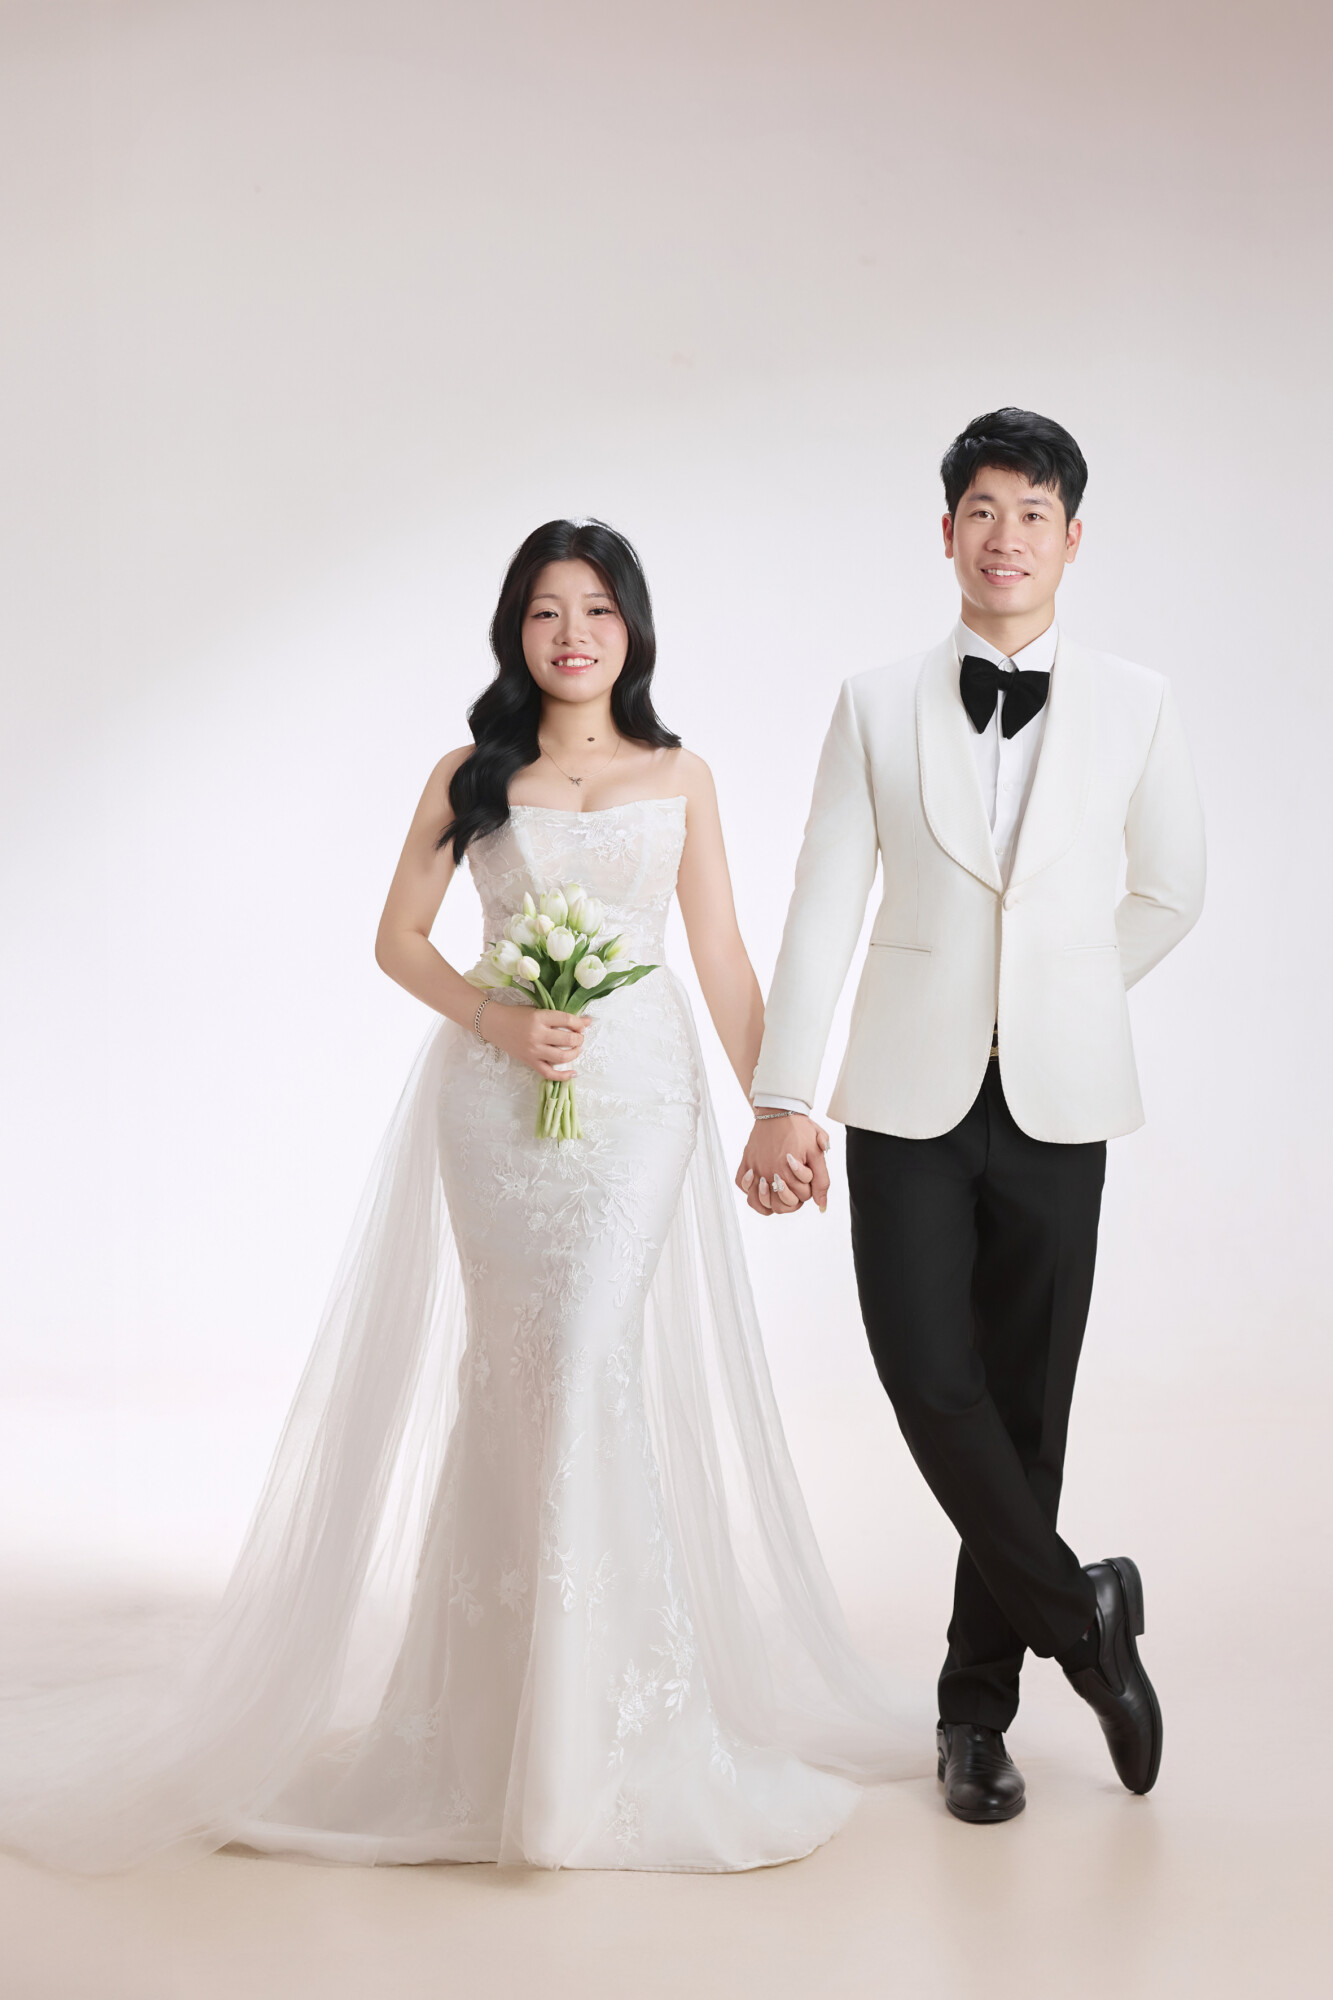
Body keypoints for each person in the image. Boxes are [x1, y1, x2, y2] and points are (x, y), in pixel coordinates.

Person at [0, 519, 912, 1877]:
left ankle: (609, 1732)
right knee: (518, 1376)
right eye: (546, 611)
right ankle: (496, 1730)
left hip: (638, 1099)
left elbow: (719, 951)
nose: (572, 635)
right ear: (515, 631)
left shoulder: (682, 774)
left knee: (589, 1359)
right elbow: (398, 938)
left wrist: (779, 1103)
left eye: (595, 609)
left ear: (632, 629)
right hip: (492, 1103)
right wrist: (499, 1021)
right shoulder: (470, 773)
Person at [738, 409, 1206, 1824]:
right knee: (928, 1377)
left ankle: (974, 1718)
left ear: (1073, 536)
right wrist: (781, 1091)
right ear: (946, 532)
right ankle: (1085, 1618)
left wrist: (1055, 998)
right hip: (903, 1094)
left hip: (1061, 1094)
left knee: (1023, 1407)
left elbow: (1170, 890)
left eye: (1033, 513)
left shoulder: (1137, 702)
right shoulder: (875, 702)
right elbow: (824, 902)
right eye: (983, 511)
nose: (1007, 538)